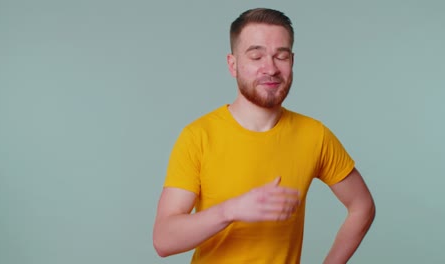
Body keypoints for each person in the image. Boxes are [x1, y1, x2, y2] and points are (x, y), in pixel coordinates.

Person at [153, 7, 375, 264]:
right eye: (256, 56)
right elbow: (163, 240)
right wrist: (231, 210)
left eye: (281, 56)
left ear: (292, 61)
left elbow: (362, 207)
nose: (270, 68)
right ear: (232, 65)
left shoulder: (315, 135)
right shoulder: (198, 136)